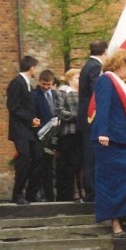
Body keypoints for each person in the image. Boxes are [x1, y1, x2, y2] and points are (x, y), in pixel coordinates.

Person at [91, 49, 126, 236]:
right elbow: (103, 106)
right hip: (109, 139)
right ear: (120, 64)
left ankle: (125, 212)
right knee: (111, 181)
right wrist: (103, 132)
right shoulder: (106, 80)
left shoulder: (120, 84)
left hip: (124, 137)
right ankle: (116, 222)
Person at [7, 56, 41, 205]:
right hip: (20, 129)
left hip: (29, 130)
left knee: (38, 156)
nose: (37, 71)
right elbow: (13, 106)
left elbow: (27, 106)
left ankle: (30, 192)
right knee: (24, 157)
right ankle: (17, 193)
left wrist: (34, 118)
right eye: (36, 67)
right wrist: (29, 119)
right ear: (31, 67)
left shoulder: (28, 84)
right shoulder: (17, 83)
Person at [77, 39, 108, 203]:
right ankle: (91, 192)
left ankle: (91, 190)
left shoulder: (87, 65)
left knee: (90, 156)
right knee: (91, 156)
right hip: (91, 118)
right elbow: (98, 92)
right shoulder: (95, 67)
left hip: (86, 119)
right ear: (105, 52)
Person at [30, 69, 58, 202]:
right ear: (40, 82)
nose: (46, 87)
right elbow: (34, 115)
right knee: (42, 166)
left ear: (53, 83)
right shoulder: (35, 95)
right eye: (44, 84)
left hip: (54, 135)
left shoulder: (55, 95)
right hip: (40, 135)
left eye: (49, 85)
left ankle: (51, 195)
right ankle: (41, 194)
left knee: (51, 167)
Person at [54, 68, 81, 202]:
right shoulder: (62, 92)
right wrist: (75, 116)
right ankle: (66, 194)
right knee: (68, 164)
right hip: (68, 132)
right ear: (70, 79)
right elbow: (59, 111)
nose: (80, 80)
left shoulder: (84, 94)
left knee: (79, 164)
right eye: (77, 78)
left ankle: (80, 191)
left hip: (81, 132)